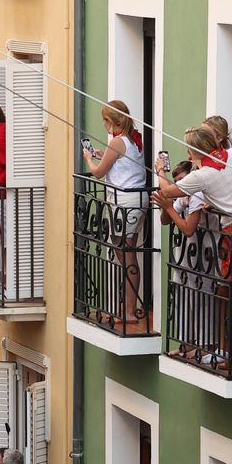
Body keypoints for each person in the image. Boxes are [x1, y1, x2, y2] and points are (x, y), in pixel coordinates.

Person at [81, 102, 149, 327]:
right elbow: (122, 166)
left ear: (110, 121)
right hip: (137, 200)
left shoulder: (118, 141)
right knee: (129, 252)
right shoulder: (132, 138)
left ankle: (129, 310)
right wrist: (103, 154)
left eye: (104, 120)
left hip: (124, 203)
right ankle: (129, 307)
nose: (104, 124)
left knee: (126, 255)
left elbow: (99, 173)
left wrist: (89, 159)